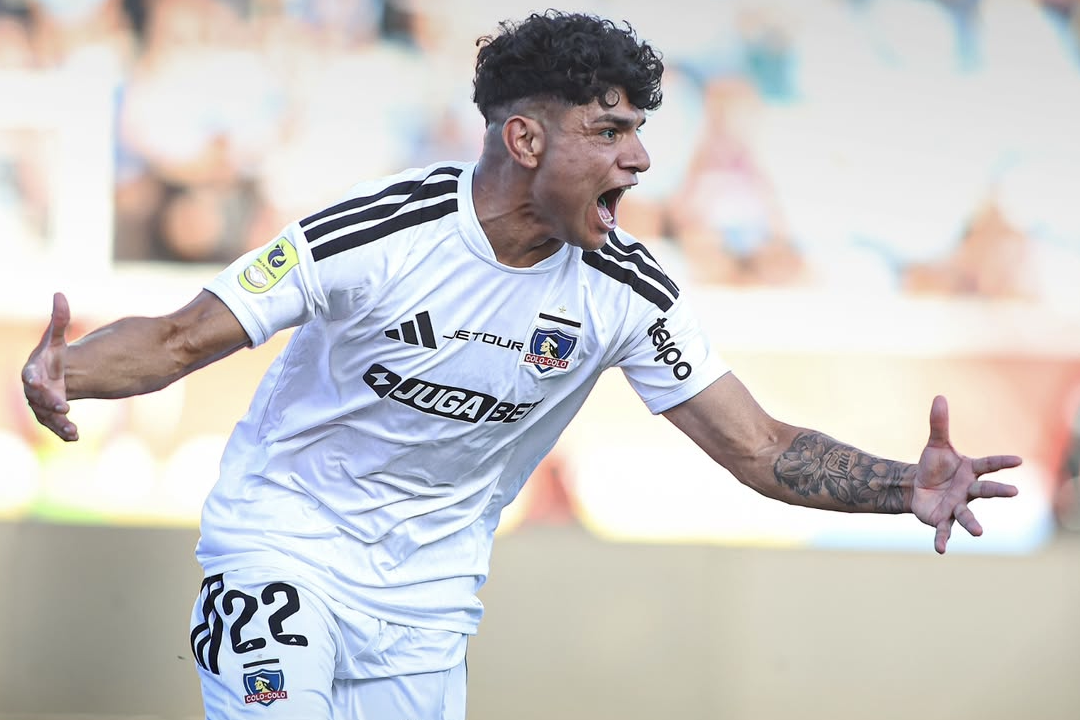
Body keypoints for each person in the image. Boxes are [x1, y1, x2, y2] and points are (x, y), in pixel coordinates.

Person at [20, 10, 1021, 720]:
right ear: (525, 136)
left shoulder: (625, 289)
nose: (637, 161)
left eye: (639, 134)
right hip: (284, 551)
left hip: (428, 603)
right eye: (610, 131)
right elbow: (182, 336)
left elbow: (756, 448)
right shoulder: (377, 235)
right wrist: (71, 369)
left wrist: (903, 486)